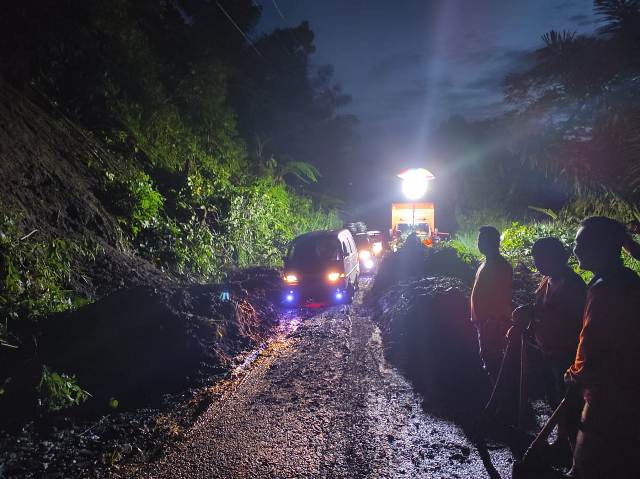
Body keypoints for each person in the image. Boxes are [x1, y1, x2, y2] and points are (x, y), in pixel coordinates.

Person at [564, 216, 640, 479]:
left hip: (607, 391)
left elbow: (592, 343)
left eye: (582, 244)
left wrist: (575, 376)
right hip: (628, 385)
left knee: (590, 460)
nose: (576, 250)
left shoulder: (605, 288)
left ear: (603, 247)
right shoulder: (627, 279)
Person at [471, 226, 513, 384]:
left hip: (493, 323)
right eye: (478, 240)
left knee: (494, 360)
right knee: (488, 358)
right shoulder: (487, 263)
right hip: (484, 322)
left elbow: (501, 296)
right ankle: (498, 395)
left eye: (483, 240)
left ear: (494, 242)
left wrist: (493, 320)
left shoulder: (500, 266)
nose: (479, 243)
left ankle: (503, 397)